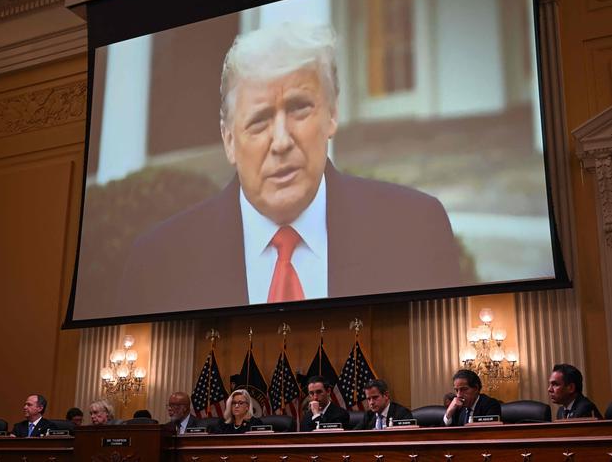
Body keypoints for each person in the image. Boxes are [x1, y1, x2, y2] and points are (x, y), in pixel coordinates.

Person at [116, 22, 462, 316]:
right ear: (229, 141)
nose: (281, 141)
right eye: (259, 120)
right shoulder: (158, 261)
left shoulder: (415, 228)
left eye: (298, 109)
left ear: (332, 115)